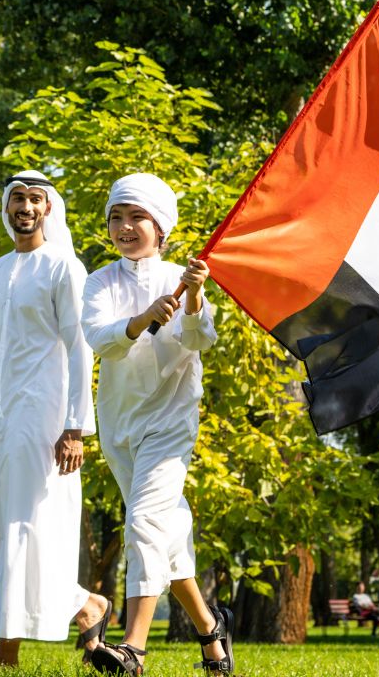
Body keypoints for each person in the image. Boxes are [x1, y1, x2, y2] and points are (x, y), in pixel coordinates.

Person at [0, 171, 111, 668]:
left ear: (48, 208)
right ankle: (86, 605)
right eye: (18, 199)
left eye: (35, 199)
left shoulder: (63, 267)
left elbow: (80, 348)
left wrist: (75, 426)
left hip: (42, 417)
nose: (26, 207)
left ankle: (7, 648)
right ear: (7, 208)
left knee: (24, 524)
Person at [81, 173, 232, 675]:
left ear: (161, 227)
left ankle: (134, 649)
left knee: (143, 522)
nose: (124, 226)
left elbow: (200, 340)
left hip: (170, 423)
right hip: (118, 424)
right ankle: (212, 632)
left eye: (137, 216)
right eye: (116, 217)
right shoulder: (99, 281)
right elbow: (100, 340)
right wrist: (143, 317)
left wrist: (192, 297)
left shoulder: (183, 277)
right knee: (164, 534)